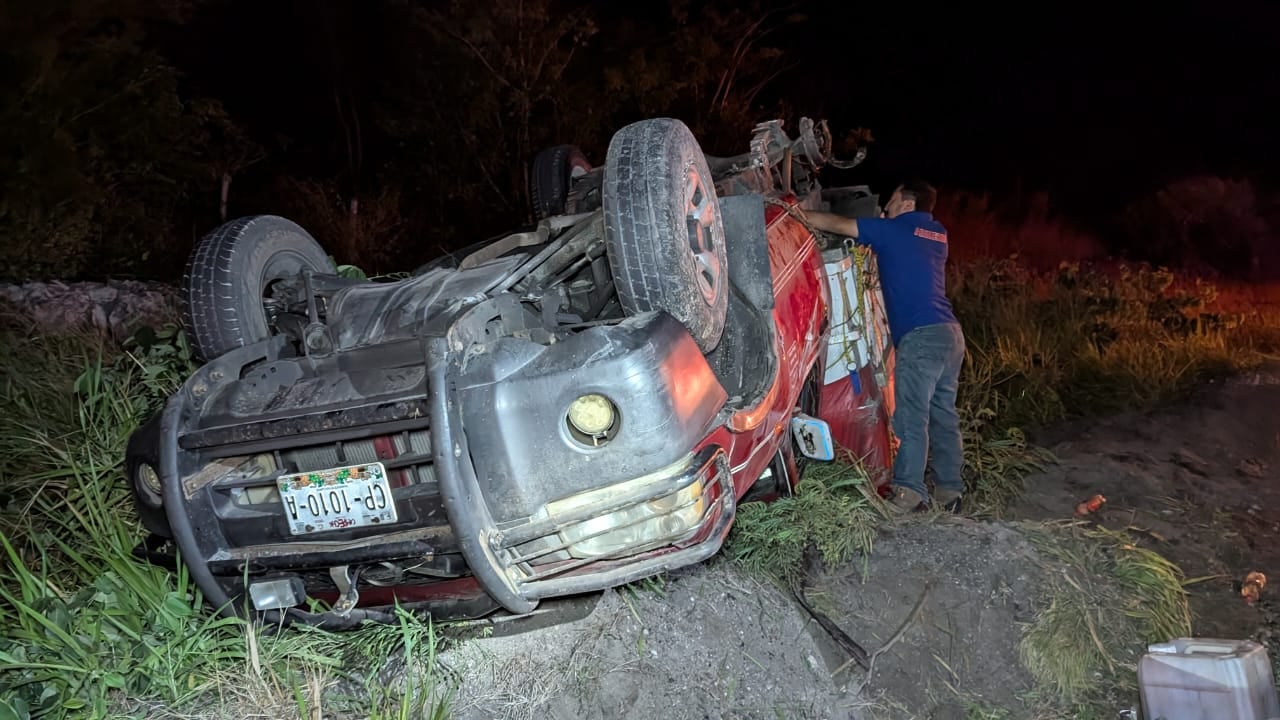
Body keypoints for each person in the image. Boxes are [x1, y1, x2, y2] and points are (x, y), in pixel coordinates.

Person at [804, 180, 966, 513]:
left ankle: (908, 491)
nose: (887, 206)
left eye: (892, 200)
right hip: (950, 336)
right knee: (943, 417)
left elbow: (836, 224)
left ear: (907, 204)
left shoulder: (897, 230)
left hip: (921, 338)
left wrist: (796, 212)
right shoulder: (937, 235)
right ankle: (950, 490)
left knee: (912, 416)